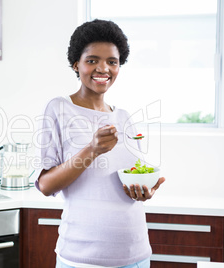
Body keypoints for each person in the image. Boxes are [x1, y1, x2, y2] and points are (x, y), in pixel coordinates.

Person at [34, 19, 166, 268]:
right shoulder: (59, 109)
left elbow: (133, 177)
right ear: (76, 64)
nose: (103, 68)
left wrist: (144, 190)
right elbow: (45, 185)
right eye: (92, 60)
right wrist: (92, 150)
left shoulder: (124, 117)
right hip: (82, 258)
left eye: (112, 62)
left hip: (136, 254)